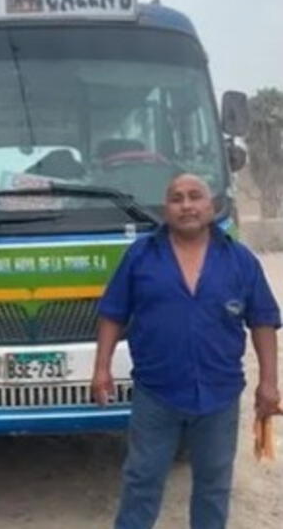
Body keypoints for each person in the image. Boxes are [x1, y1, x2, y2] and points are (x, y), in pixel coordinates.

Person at [91, 173, 281, 529]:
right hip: (156, 394)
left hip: (219, 396)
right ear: (167, 209)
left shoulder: (239, 260)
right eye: (177, 198)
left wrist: (269, 382)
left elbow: (264, 321)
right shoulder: (141, 256)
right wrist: (101, 368)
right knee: (142, 482)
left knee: (213, 487)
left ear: (211, 205)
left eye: (195, 196)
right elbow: (113, 313)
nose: (187, 205)